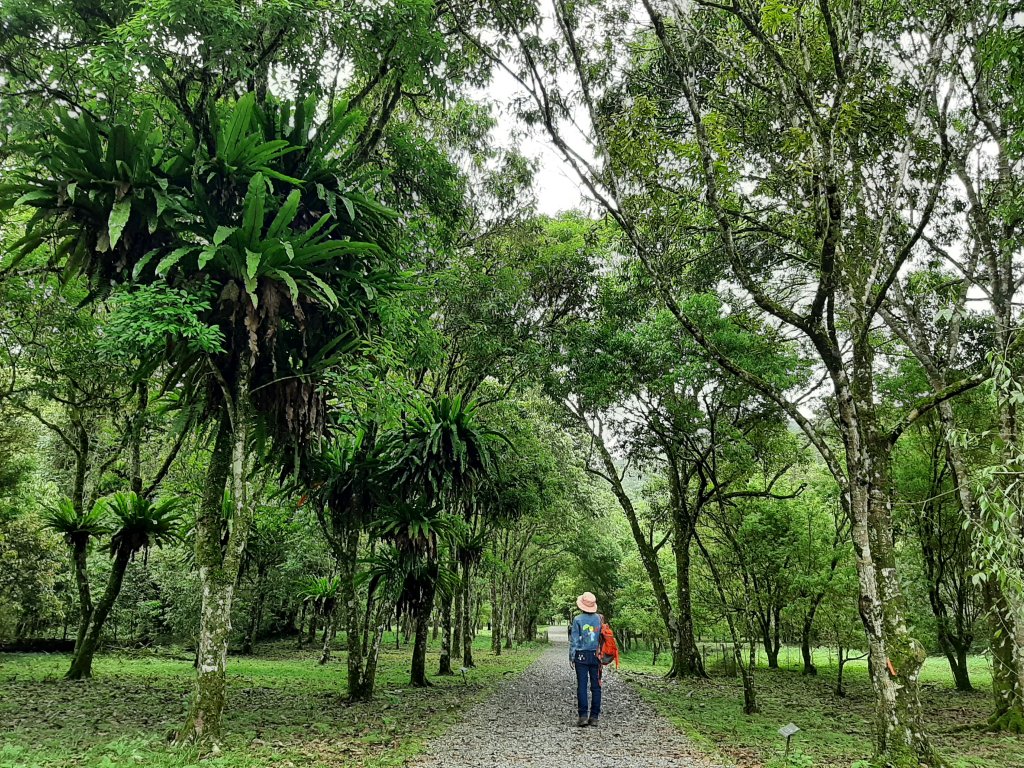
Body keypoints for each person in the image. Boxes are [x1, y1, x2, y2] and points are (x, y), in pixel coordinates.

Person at [569, 591, 603, 727]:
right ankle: (594, 717)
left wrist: (572, 657)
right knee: (596, 686)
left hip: (581, 656)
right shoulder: (599, 618)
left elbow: (574, 641)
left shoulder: (577, 620)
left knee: (582, 686)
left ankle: (583, 716)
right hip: (596, 655)